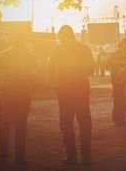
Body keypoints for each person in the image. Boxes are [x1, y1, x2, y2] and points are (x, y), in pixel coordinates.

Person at [47, 25, 94, 164]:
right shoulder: (84, 49)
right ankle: (86, 154)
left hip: (64, 90)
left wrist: (53, 81)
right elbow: (91, 67)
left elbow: (50, 66)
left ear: (61, 36)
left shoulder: (57, 49)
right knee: (85, 122)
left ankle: (71, 154)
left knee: (66, 122)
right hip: (81, 89)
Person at [0, 33, 40, 165]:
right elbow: (36, 74)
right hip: (23, 93)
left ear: (12, 41)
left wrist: (0, 85)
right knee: (21, 125)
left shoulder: (4, 55)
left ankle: (2, 156)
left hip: (7, 92)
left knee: (4, 125)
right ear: (24, 42)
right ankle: (20, 156)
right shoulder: (30, 56)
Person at [106, 39, 126, 126]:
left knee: (117, 98)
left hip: (115, 80)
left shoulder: (113, 54)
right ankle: (121, 119)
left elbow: (106, 66)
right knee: (124, 99)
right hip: (124, 81)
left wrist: (114, 70)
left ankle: (116, 118)